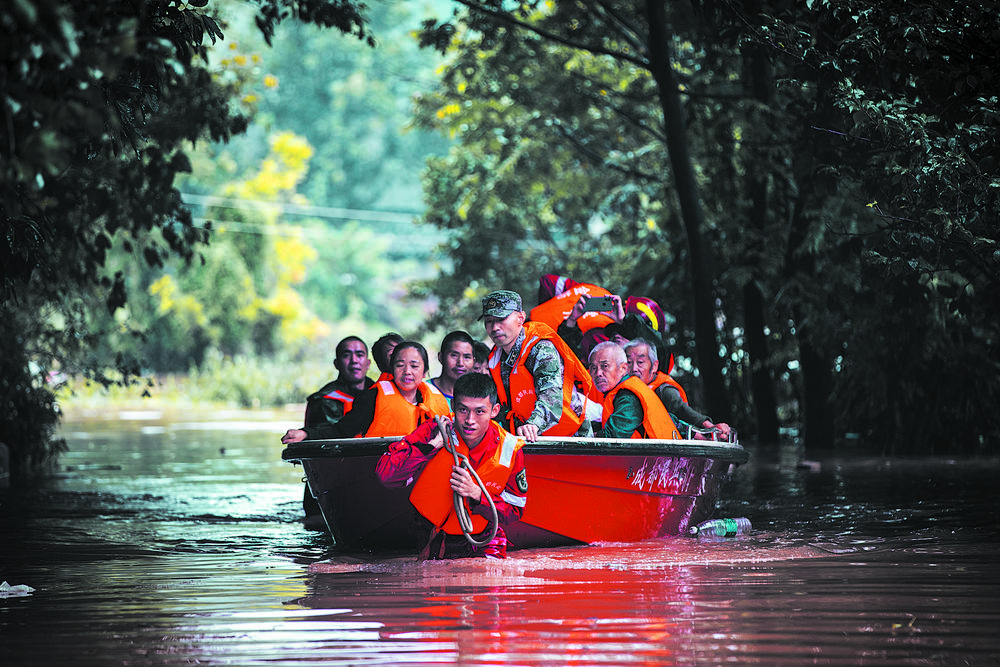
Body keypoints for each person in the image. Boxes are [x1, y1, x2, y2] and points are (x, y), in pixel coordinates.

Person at [375, 372, 527, 559]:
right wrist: (430, 447)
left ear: (494, 411)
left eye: (479, 411)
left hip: (484, 540)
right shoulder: (434, 430)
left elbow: (514, 510)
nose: (470, 420)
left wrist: (477, 495)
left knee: (491, 580)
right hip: (432, 536)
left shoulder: (509, 448)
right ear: (453, 405)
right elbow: (387, 476)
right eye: (463, 410)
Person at [481, 289, 597, 442]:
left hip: (570, 439)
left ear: (521, 318)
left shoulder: (541, 348)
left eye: (501, 319)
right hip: (531, 439)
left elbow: (551, 396)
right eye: (489, 321)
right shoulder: (495, 357)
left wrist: (533, 425)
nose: (495, 327)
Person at [281, 341, 450, 443]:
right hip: (382, 470)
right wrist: (306, 433)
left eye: (414, 366)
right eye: (400, 365)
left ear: (425, 371)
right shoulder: (372, 398)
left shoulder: (436, 399)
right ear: (392, 369)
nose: (407, 371)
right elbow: (341, 431)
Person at [623, 337, 732, 440]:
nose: (634, 369)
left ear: (654, 366)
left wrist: (710, 426)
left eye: (640, 362)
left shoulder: (664, 390)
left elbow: (682, 410)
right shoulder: (622, 386)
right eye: (629, 362)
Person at [588, 341, 680, 439]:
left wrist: (586, 435)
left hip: (657, 453)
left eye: (605, 366)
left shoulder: (628, 396)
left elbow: (613, 437)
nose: (598, 373)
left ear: (623, 368)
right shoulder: (624, 390)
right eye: (593, 368)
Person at [303, 336, 374, 428]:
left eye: (359, 355)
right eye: (346, 355)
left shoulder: (379, 393)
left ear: (368, 363)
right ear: (336, 364)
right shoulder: (323, 400)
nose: (354, 360)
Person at [428, 330, 476, 401]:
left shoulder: (477, 396)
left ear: (473, 361)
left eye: (467, 357)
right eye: (454, 355)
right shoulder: (424, 390)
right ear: (441, 357)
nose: (460, 363)